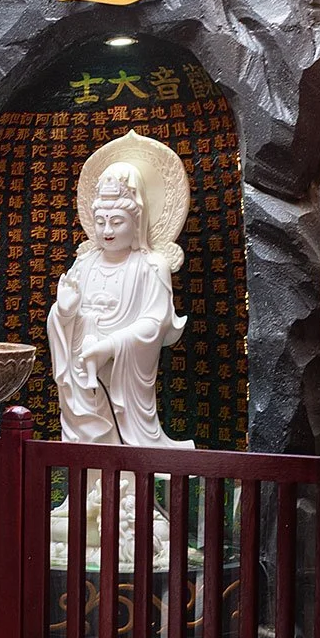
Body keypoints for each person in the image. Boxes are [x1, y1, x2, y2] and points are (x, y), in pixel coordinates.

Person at [47, 160, 192, 450]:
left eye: (117, 221)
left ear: (137, 220)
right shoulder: (85, 262)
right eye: (100, 222)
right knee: (86, 443)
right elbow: (62, 317)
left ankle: (127, 490)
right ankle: (89, 491)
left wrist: (110, 346)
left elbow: (155, 323)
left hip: (124, 374)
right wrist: (64, 311)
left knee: (126, 449)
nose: (106, 231)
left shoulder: (151, 266)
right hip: (81, 372)